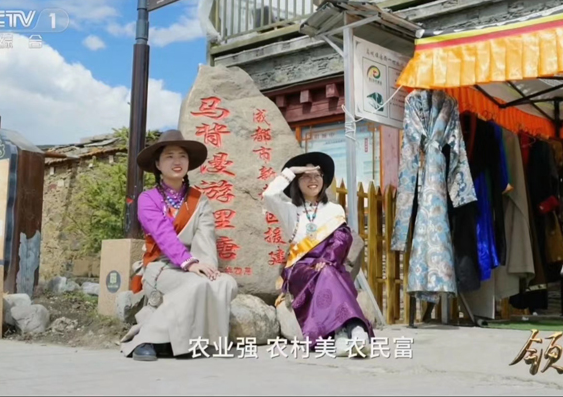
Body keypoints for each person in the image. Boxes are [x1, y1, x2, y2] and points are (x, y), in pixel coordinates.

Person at [120, 130, 238, 361]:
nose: (177, 161)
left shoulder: (199, 200)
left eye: (182, 156)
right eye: (169, 156)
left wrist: (208, 269)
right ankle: (146, 338)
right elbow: (164, 235)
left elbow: (205, 238)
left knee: (224, 283)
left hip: (194, 265)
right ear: (158, 164)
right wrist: (189, 263)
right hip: (161, 267)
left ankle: (200, 342)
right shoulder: (148, 199)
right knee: (197, 285)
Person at [262, 151, 374, 357]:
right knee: (326, 274)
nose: (312, 180)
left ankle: (342, 335)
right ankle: (354, 329)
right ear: (297, 181)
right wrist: (291, 171)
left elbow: (342, 238)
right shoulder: (289, 210)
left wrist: (327, 259)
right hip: (301, 269)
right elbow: (269, 195)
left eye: (317, 175)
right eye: (306, 176)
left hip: (330, 263)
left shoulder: (334, 209)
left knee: (328, 273)